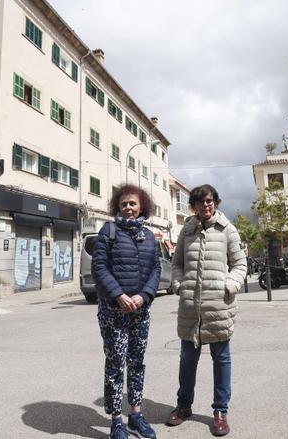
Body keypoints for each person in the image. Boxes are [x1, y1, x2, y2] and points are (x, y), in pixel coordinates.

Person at [166, 184, 246, 437]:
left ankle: (220, 411)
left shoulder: (227, 229)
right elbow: (176, 263)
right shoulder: (186, 230)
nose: (206, 205)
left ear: (216, 202)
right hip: (190, 308)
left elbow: (240, 264)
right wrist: (179, 283)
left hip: (219, 307)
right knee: (187, 361)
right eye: (200, 202)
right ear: (195, 205)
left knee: (221, 360)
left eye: (209, 201)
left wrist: (230, 284)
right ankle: (183, 406)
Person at [92, 184, 162, 439]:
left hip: (140, 312)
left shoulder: (150, 237)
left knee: (137, 363)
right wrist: (119, 295)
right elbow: (99, 267)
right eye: (124, 204)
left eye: (133, 203)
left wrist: (143, 297)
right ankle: (116, 422)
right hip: (114, 313)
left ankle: (135, 415)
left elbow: (156, 270)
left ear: (141, 205)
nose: (129, 208)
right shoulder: (108, 231)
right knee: (115, 364)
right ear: (117, 208)